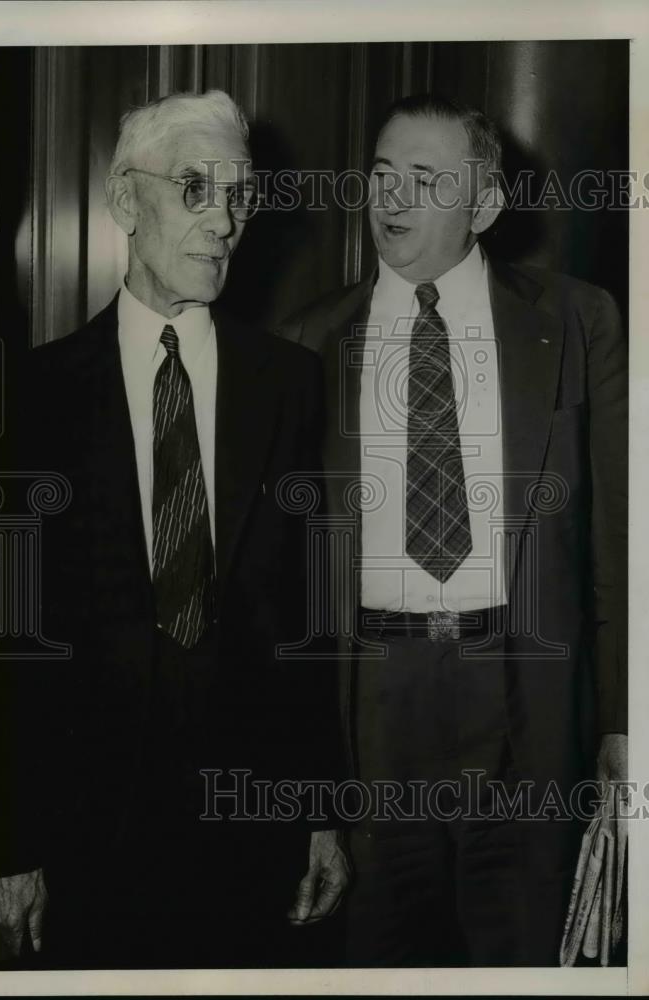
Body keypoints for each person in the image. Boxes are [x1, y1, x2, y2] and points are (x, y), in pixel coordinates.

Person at [0, 89, 349, 970]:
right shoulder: (35, 394)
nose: (222, 221)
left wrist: (323, 815)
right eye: (194, 188)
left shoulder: (287, 383)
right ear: (121, 201)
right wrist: (7, 847)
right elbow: (11, 640)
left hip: (251, 820)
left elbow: (309, 615)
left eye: (239, 194)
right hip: (87, 827)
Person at [279, 94, 627, 966]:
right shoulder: (305, 344)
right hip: (372, 707)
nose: (389, 199)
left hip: (526, 696)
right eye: (381, 175)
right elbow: (282, 584)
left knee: (525, 959)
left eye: (423, 180)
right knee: (381, 961)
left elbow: (623, 545)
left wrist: (625, 722)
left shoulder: (579, 322)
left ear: (483, 205)